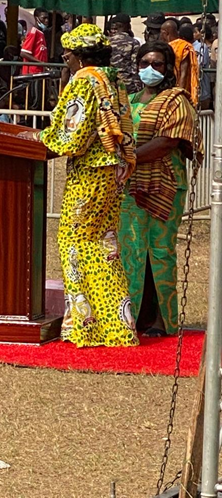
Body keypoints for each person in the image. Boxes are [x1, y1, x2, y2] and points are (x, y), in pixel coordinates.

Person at [20, 24, 138, 348]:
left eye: (68, 54)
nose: (64, 58)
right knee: (104, 247)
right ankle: (117, 327)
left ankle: (83, 328)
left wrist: (38, 138)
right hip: (113, 171)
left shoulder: (84, 81)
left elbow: (73, 137)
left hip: (90, 175)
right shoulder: (112, 78)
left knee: (74, 242)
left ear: (80, 55)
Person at [118, 41, 203, 337]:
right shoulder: (128, 100)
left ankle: (161, 319)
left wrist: (130, 157)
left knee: (160, 251)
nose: (149, 70)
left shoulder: (176, 100)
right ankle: (134, 316)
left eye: (157, 64)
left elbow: (169, 141)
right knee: (131, 251)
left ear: (167, 69)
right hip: (131, 187)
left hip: (165, 186)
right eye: (144, 64)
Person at [160, 19, 199, 103]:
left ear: (166, 33)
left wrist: (179, 94)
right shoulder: (166, 47)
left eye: (161, 32)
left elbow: (183, 73)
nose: (160, 35)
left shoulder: (183, 46)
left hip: (180, 90)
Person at [109, 13, 142, 95]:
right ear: (126, 26)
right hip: (129, 86)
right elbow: (135, 66)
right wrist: (138, 86)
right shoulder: (133, 42)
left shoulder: (107, 42)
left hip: (111, 84)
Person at [20, 7, 49, 74]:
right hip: (32, 73)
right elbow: (24, 53)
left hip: (40, 71)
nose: (46, 20)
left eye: (47, 18)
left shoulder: (41, 33)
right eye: (43, 18)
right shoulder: (34, 32)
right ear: (36, 18)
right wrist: (41, 63)